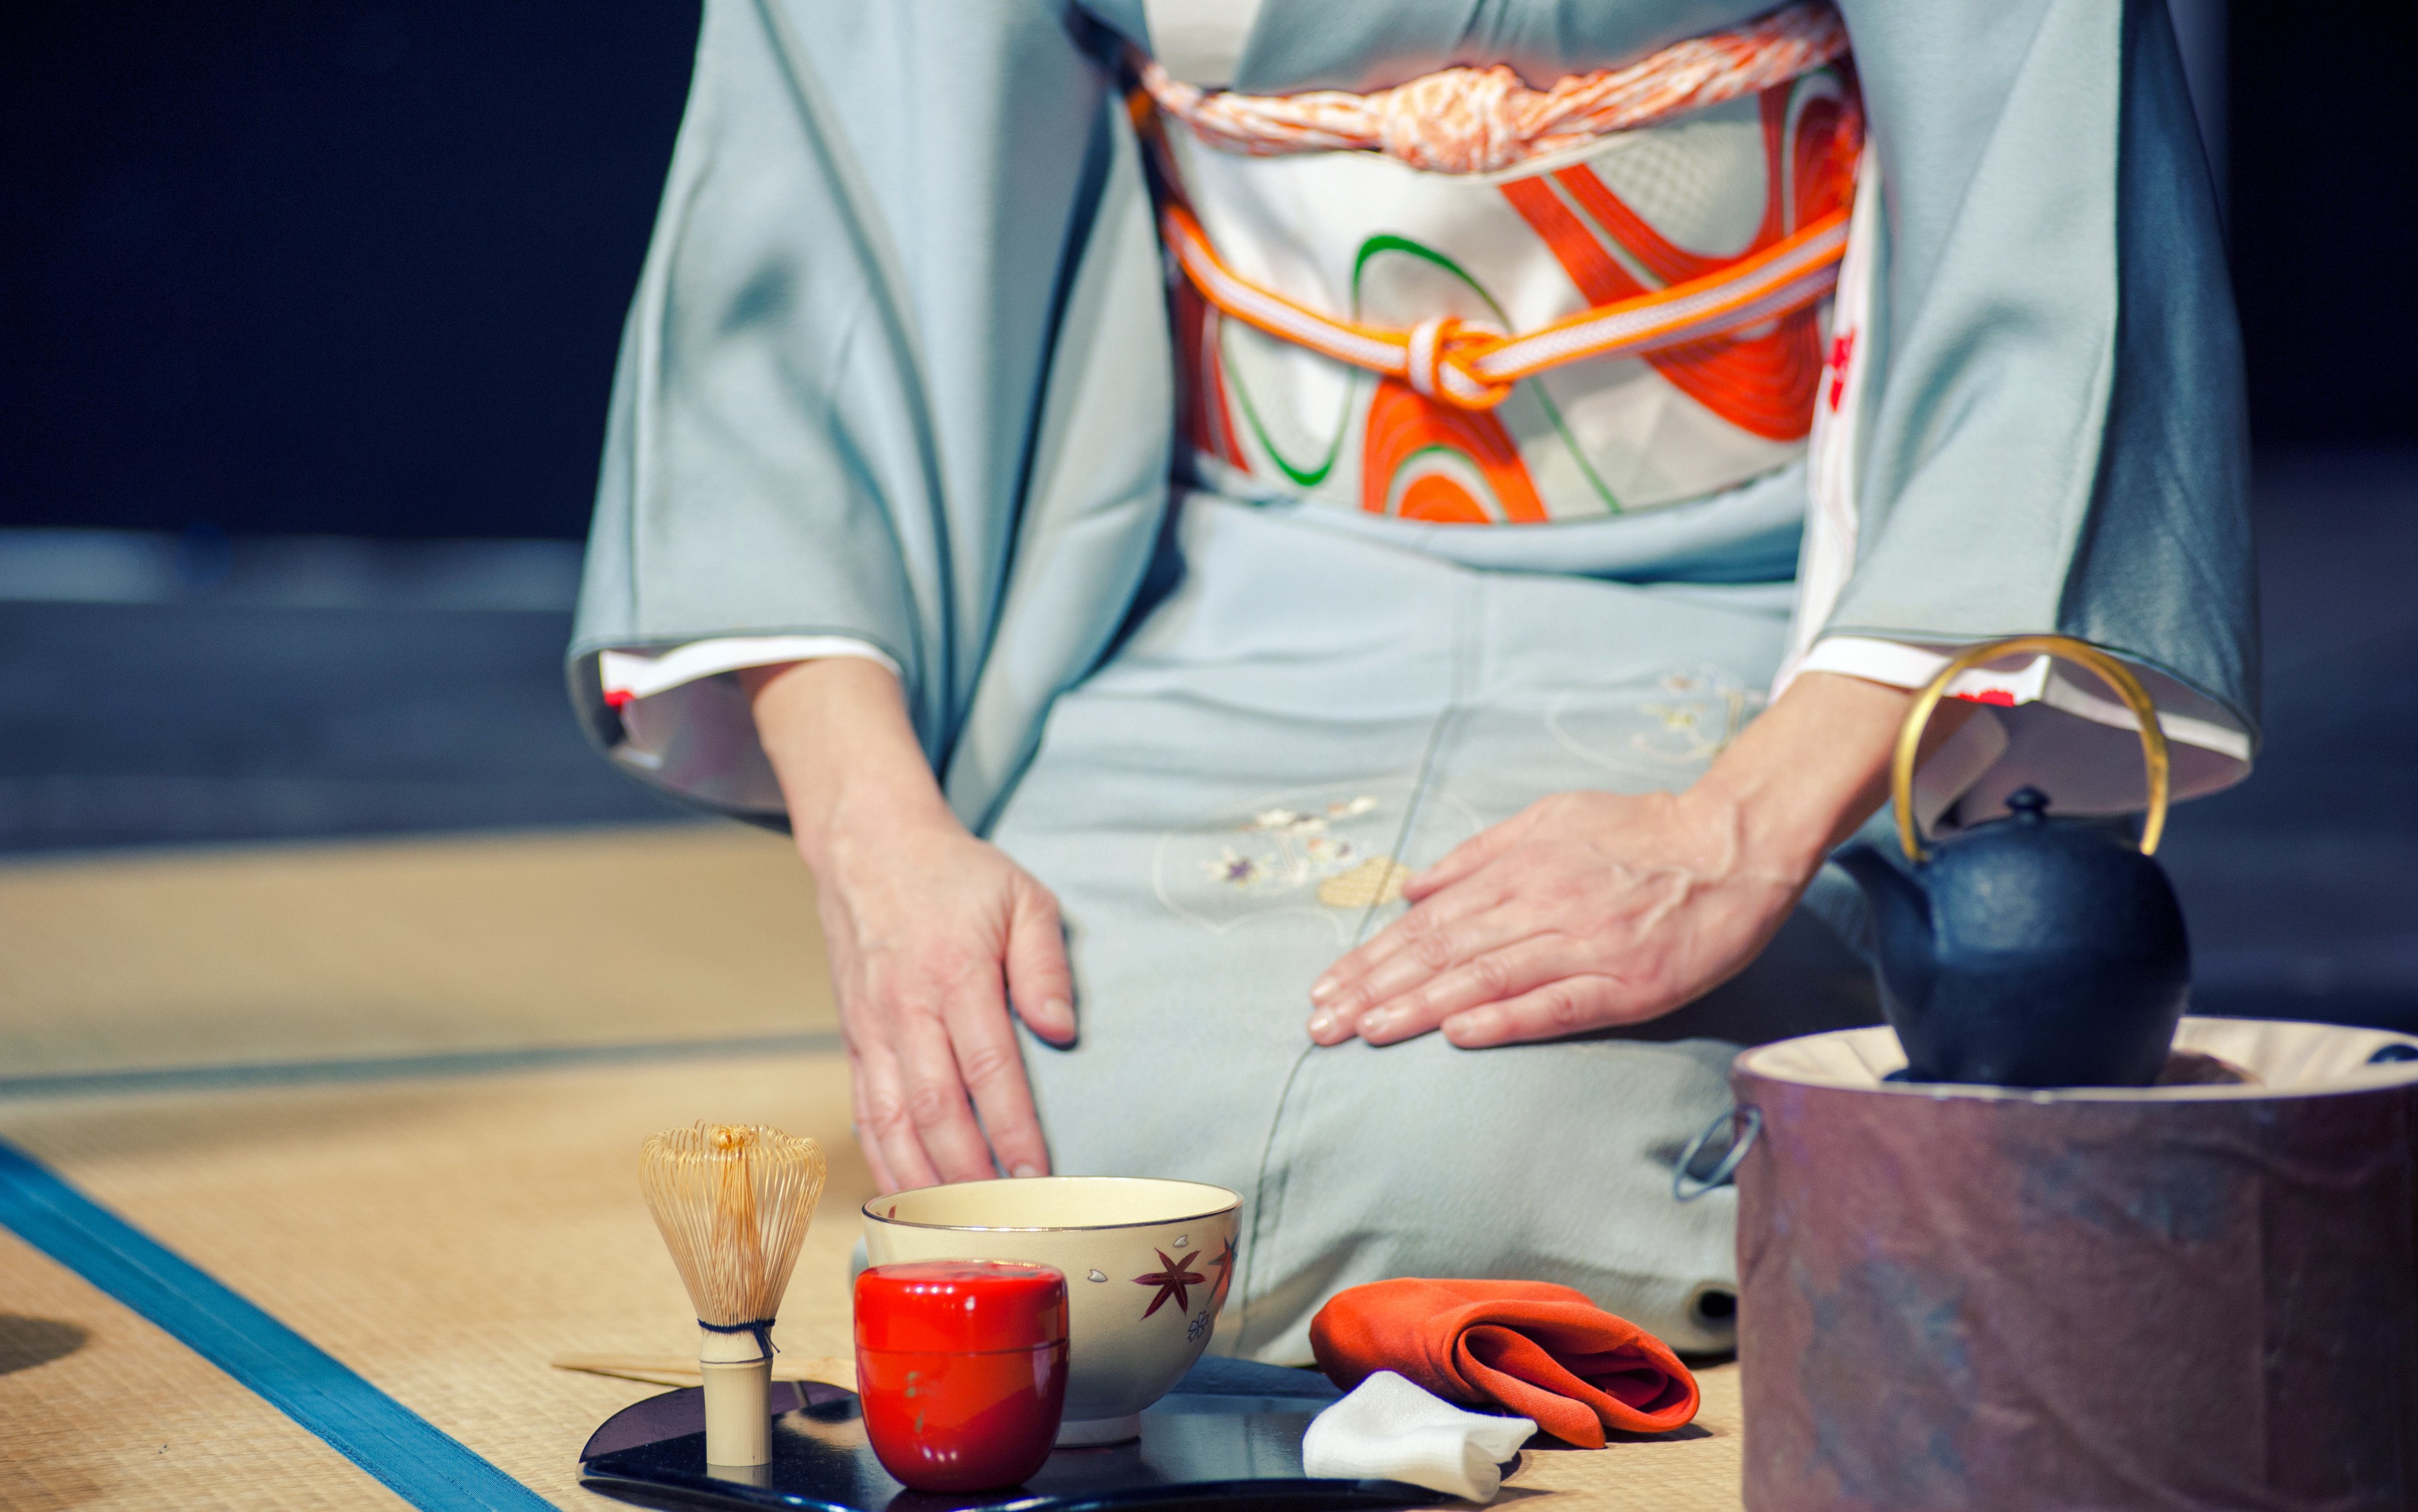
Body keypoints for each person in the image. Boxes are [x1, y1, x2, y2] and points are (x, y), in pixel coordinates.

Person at [570, 0, 2253, 1361]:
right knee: (1063, 1163)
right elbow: (818, 214)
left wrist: (1742, 825)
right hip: (1234, 591)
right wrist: (878, 844)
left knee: (1482, 1166)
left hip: (1765, 612)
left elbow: (2043, 190)